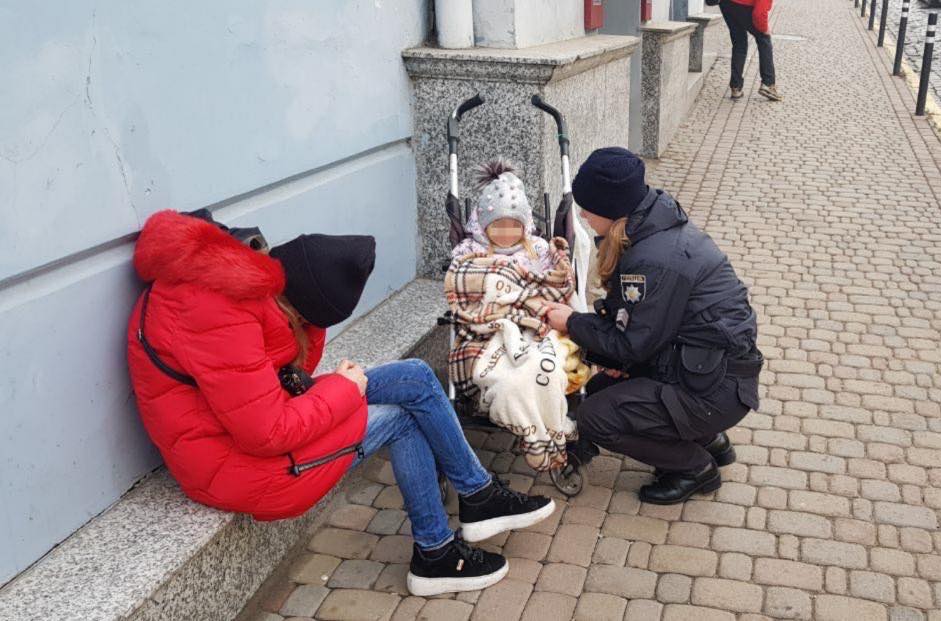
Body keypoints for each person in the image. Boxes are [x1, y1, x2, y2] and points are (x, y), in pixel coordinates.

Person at [126, 210, 554, 597]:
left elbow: (274, 379)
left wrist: (330, 375)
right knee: (402, 419)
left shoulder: (222, 280)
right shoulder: (215, 312)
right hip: (238, 467)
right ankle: (435, 553)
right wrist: (345, 389)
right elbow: (266, 433)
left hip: (247, 427)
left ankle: (479, 495)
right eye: (309, 322)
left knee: (416, 377)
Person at [545, 147, 763, 505]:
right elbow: (645, 327)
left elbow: (631, 345)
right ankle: (709, 439)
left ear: (613, 208)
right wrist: (619, 362)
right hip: (709, 374)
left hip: (713, 388)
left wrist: (571, 321)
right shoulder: (653, 223)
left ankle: (694, 467)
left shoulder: (653, 260)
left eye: (588, 207)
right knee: (599, 388)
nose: (582, 214)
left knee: (596, 417)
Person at [722, 0, 781, 101]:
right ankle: (768, 84)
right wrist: (764, 29)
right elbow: (759, 13)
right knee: (764, 39)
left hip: (726, 4)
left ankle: (736, 87)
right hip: (743, 4)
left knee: (739, 43)